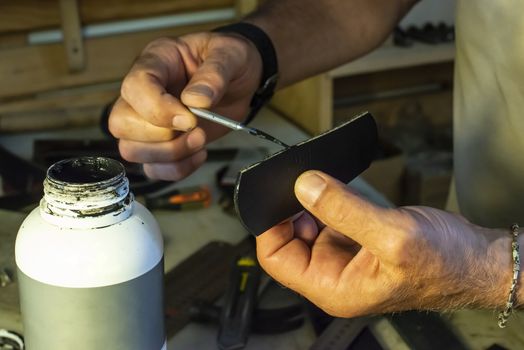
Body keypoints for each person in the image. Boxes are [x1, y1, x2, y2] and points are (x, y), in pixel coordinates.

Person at [108, 0, 523, 324]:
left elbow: (486, 270)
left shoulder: (480, 266)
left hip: (474, 268)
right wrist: (255, 50)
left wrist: (496, 270)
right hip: (467, 265)